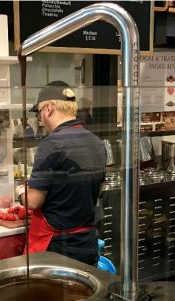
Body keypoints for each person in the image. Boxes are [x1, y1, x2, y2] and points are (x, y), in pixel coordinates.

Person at [15, 81, 106, 265]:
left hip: (57, 247)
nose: (41, 120)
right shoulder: (96, 142)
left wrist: (21, 194)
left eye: (39, 114)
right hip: (87, 243)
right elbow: (97, 191)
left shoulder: (51, 144)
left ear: (49, 108)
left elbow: (34, 201)